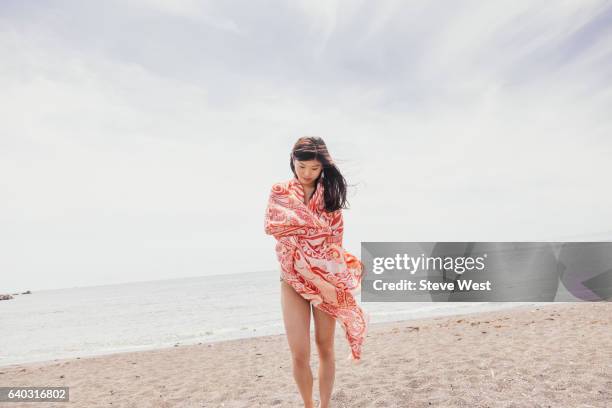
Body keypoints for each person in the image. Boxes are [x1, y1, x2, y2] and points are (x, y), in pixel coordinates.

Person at [264, 136, 369, 408]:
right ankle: (308, 405)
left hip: (325, 277)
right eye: (302, 167)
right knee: (299, 351)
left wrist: (334, 278)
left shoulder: (330, 199)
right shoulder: (280, 192)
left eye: (314, 168)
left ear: (323, 167)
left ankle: (324, 405)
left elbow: (334, 243)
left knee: (325, 347)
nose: (307, 174)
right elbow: (273, 226)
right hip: (291, 276)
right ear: (293, 162)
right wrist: (307, 240)